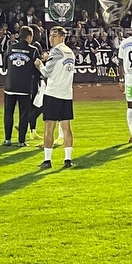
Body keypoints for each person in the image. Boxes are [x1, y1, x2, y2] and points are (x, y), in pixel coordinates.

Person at [37, 26, 76, 168]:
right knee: (66, 128)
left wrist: (40, 64)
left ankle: (47, 160)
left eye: (54, 36)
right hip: (66, 94)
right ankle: (68, 159)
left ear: (62, 37)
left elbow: (46, 72)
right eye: (50, 35)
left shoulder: (56, 51)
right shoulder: (70, 52)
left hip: (53, 93)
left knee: (49, 128)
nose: (51, 38)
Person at [2, 26, 39, 147]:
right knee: (24, 114)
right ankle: (21, 141)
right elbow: (36, 70)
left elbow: (4, 66)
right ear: (29, 37)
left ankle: (7, 139)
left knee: (8, 113)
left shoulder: (10, 47)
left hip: (10, 86)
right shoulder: (33, 50)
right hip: (25, 87)